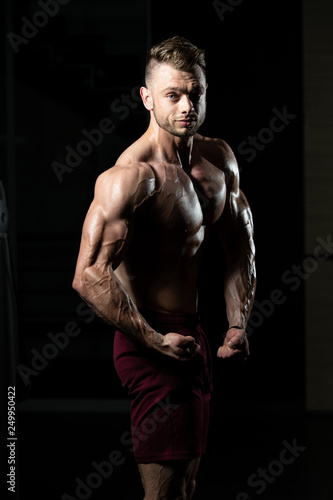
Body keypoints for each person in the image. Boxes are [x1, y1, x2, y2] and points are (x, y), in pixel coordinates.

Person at [72, 35, 256, 500]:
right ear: (147, 98)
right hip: (151, 339)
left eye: (196, 93)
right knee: (166, 491)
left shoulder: (219, 160)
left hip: (192, 334)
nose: (187, 105)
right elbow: (89, 274)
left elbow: (240, 243)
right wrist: (154, 340)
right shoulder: (131, 178)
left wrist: (237, 321)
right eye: (173, 95)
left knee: (187, 483)